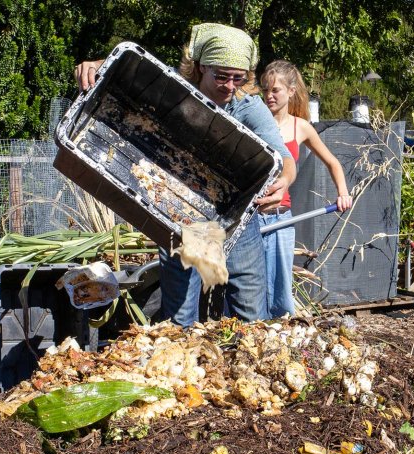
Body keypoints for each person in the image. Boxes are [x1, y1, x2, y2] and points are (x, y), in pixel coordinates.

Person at [74, 23, 296, 327]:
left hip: (236, 222)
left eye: (238, 78)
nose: (229, 86)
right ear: (201, 66)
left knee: (252, 317)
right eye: (221, 76)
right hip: (182, 218)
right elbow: (131, 69)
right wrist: (95, 65)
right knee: (180, 319)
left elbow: (282, 156)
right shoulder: (174, 87)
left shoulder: (247, 105)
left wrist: (284, 180)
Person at [259, 60, 352, 317]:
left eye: (275, 90)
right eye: (265, 89)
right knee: (249, 285)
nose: (269, 95)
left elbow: (333, 162)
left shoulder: (301, 127)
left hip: (280, 218)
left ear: (290, 91)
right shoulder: (254, 122)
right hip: (251, 218)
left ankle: (279, 336)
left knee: (280, 288)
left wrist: (343, 193)